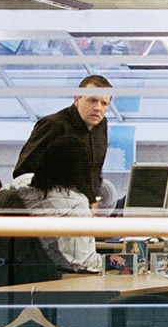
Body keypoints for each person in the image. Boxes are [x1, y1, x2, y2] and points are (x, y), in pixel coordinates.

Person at [13, 74, 112, 203]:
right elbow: (23, 172)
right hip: (53, 210)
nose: (98, 108)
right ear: (77, 100)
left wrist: (93, 201)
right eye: (92, 100)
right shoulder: (54, 125)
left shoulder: (101, 125)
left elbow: (95, 171)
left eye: (104, 103)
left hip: (84, 210)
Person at [14, 137, 103, 273]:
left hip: (17, 272)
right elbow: (83, 263)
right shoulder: (73, 204)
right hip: (57, 278)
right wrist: (119, 261)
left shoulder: (21, 183)